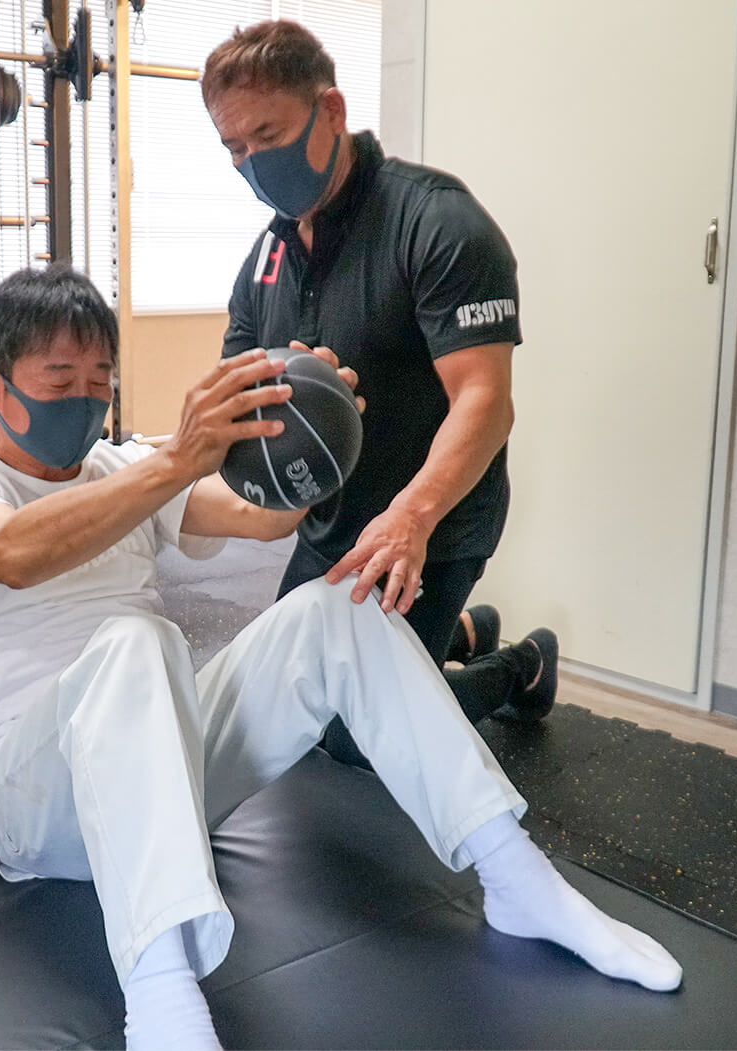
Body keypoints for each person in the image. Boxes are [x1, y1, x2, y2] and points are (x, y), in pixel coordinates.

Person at [0, 266, 681, 1050]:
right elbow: (12, 554)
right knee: (138, 639)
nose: (86, 397)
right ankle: (161, 991)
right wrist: (175, 461)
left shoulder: (123, 469)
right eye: (61, 379)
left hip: (161, 786)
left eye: (100, 379)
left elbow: (261, 517)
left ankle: (516, 876)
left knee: (339, 609)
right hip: (28, 807)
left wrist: (314, 430)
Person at [204, 21, 556, 746]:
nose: (253, 164)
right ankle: (460, 632)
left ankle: (523, 665)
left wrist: (410, 519)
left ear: (330, 111)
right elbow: (236, 394)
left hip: (429, 524)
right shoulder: (267, 257)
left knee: (358, 736)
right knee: (280, 707)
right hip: (331, 522)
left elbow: (486, 400)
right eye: (234, 148)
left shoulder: (436, 221)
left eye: (268, 135)